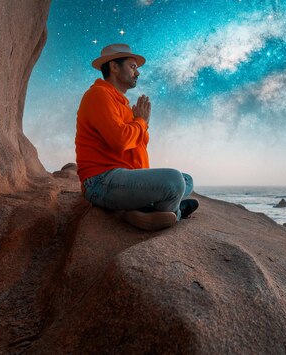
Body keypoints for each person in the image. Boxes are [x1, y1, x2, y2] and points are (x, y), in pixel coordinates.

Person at [75, 43, 199, 230]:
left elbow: (136, 146)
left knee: (186, 179)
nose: (138, 73)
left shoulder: (123, 104)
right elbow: (120, 141)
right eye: (132, 67)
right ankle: (173, 212)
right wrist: (141, 121)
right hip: (101, 181)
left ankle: (140, 210)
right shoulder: (98, 95)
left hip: (125, 178)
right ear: (114, 67)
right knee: (174, 181)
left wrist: (141, 123)